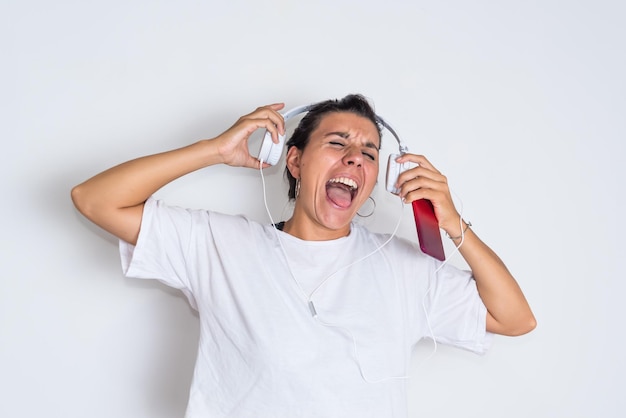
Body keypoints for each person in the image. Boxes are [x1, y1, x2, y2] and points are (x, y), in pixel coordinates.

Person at [71, 94, 536, 418]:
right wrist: (213, 150)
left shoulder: (404, 269)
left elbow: (515, 318)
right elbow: (94, 199)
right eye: (337, 144)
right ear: (293, 161)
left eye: (369, 152)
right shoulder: (221, 246)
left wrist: (452, 224)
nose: (355, 158)